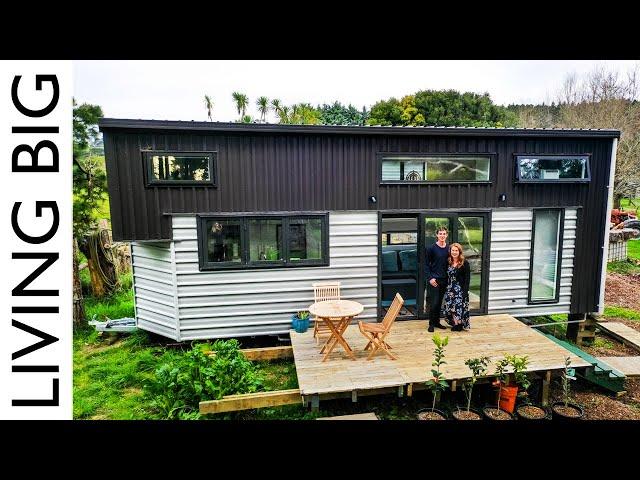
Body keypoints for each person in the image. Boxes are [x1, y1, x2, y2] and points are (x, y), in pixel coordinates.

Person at [425, 226, 450, 332]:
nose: (442, 236)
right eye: (440, 234)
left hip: (444, 280)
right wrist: (430, 278)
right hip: (434, 280)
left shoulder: (449, 248)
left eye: (444, 234)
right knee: (434, 303)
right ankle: (431, 323)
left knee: (440, 302)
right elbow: (426, 265)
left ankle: (437, 322)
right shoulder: (431, 248)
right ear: (437, 235)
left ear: (446, 235)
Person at [443, 242, 471, 332]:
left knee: (458, 307)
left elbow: (467, 279)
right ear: (450, 251)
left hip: (459, 289)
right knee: (451, 307)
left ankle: (459, 324)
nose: (454, 252)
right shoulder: (449, 262)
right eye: (453, 250)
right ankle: (455, 323)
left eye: (456, 250)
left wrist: (465, 292)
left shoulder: (464, 263)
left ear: (459, 252)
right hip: (450, 288)